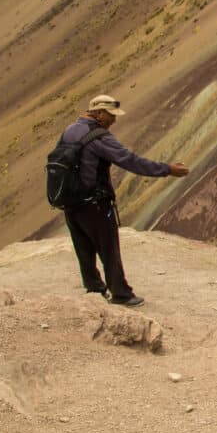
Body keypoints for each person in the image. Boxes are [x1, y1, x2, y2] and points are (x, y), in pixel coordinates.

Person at [59, 95, 189, 307]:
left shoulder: (70, 130)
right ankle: (120, 293)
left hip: (71, 202)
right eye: (111, 116)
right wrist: (167, 169)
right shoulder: (99, 137)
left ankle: (94, 288)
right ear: (99, 113)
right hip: (95, 203)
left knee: (83, 248)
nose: (114, 121)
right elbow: (130, 161)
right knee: (108, 247)